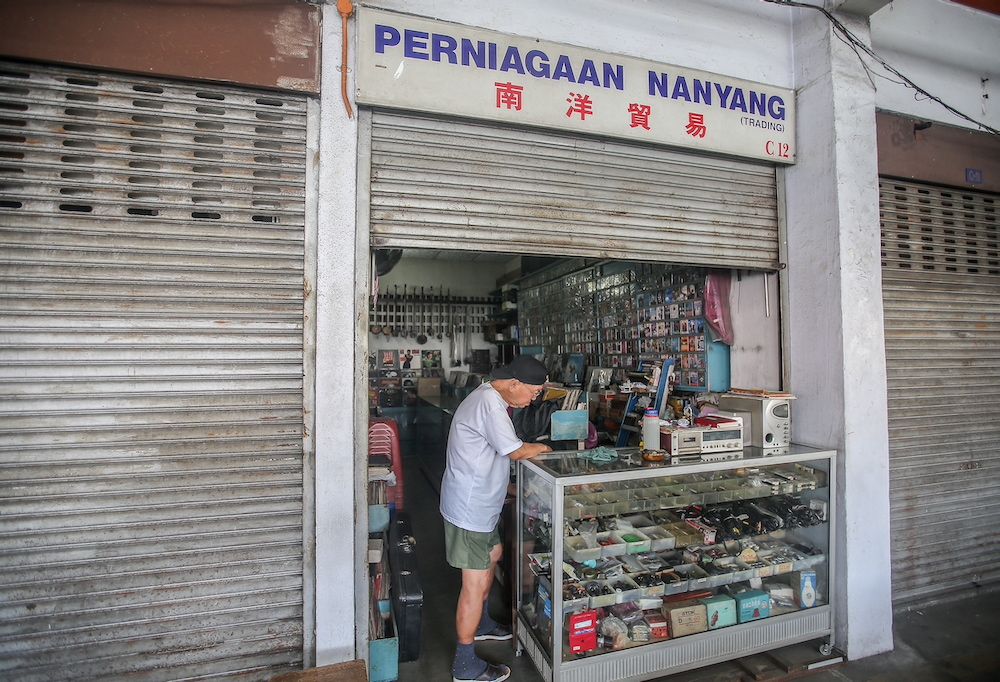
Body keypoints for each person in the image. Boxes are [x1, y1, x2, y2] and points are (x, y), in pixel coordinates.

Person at [440, 355, 553, 682]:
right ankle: (464, 663)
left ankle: (485, 624)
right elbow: (515, 451)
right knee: (473, 585)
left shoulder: (491, 398)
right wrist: (546, 451)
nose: (533, 399)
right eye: (533, 393)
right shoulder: (490, 404)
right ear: (514, 383)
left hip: (481, 503)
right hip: (469, 507)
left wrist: (512, 488)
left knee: (494, 554)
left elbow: (488, 454)